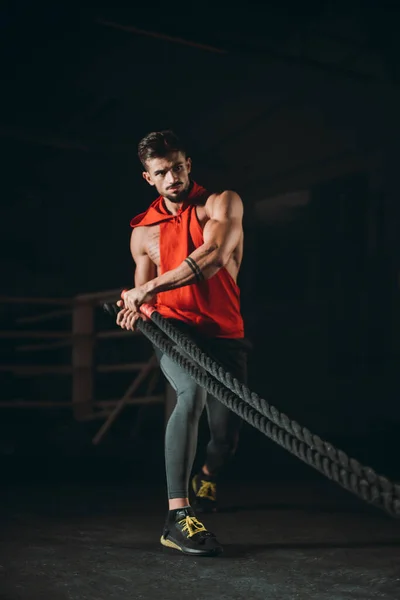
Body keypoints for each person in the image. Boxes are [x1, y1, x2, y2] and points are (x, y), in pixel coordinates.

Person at [116, 130, 248, 556]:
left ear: (188, 164)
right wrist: (135, 309)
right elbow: (143, 300)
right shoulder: (143, 233)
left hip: (223, 334)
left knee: (225, 437)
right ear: (148, 178)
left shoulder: (221, 204)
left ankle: (207, 472)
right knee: (188, 395)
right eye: (161, 172)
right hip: (176, 330)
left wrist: (146, 290)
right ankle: (177, 516)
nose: (171, 177)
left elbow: (210, 261)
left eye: (176, 167)